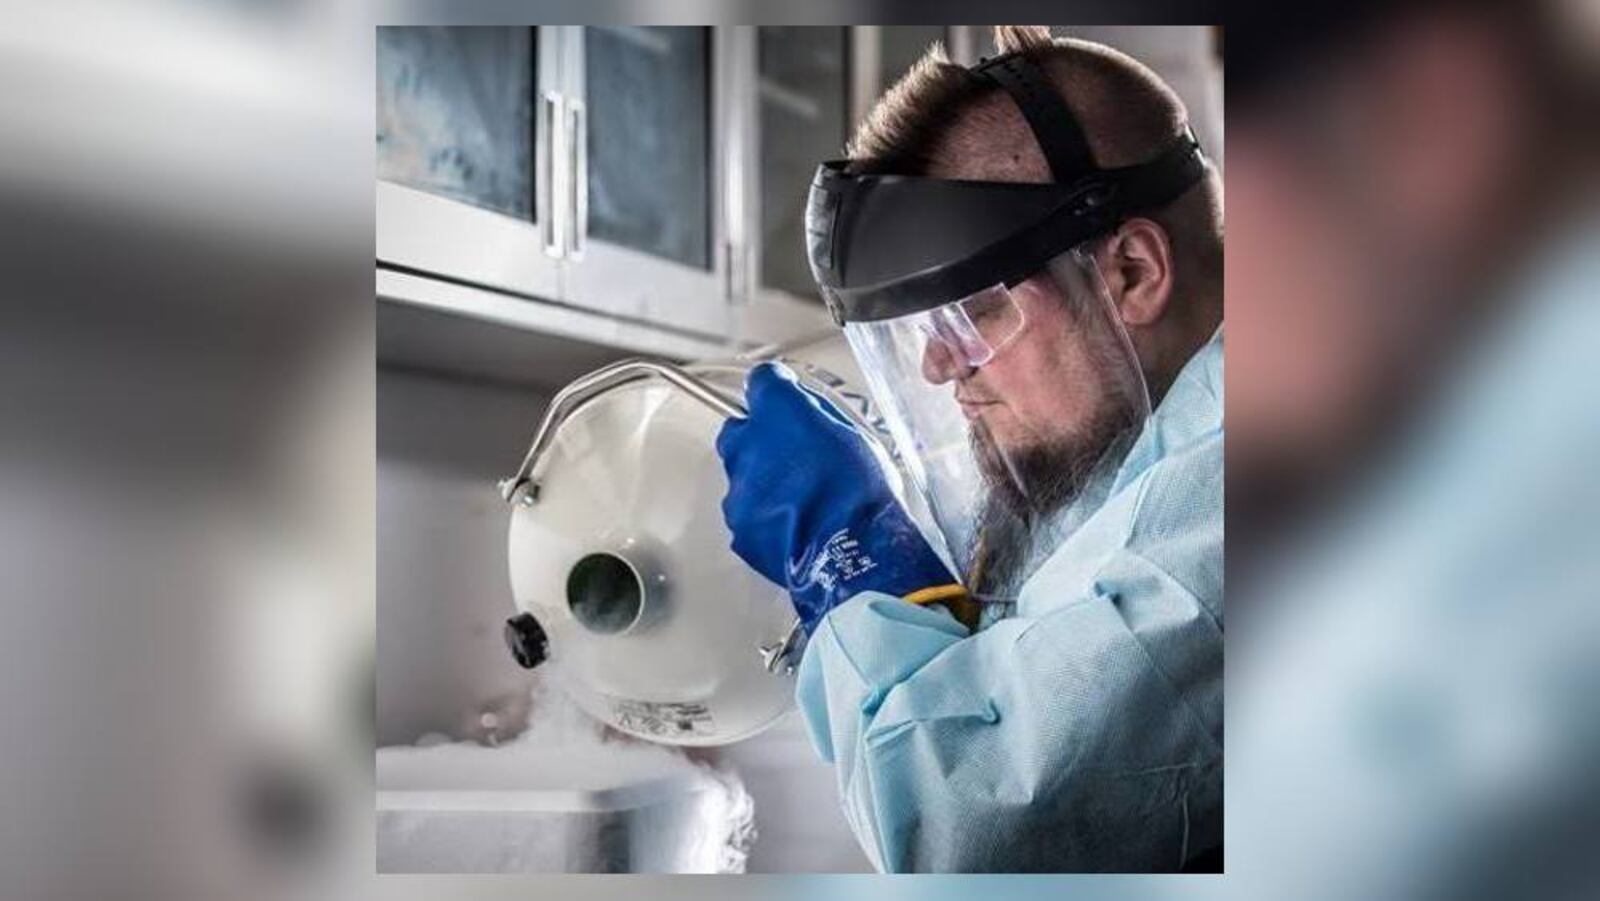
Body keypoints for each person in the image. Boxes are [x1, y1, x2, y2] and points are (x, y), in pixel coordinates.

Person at [716, 26, 1224, 872]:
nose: (938, 363)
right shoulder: (1151, 454)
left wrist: (852, 564)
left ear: (1132, 271)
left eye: (974, 311)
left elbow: (964, 831)